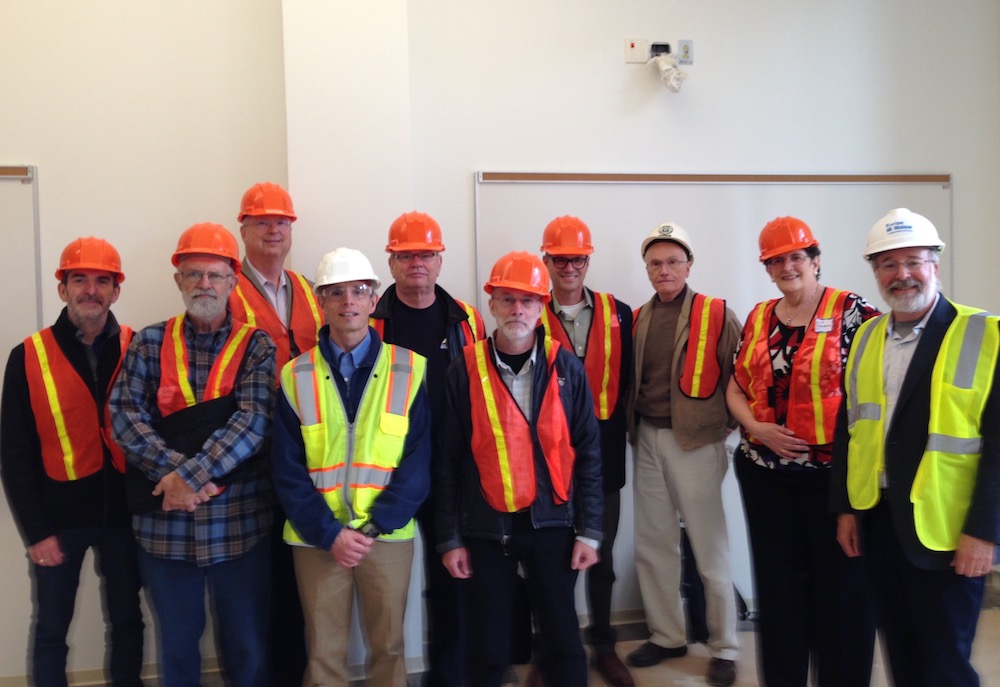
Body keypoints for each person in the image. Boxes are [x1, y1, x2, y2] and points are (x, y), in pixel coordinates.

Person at [832, 208, 1000, 687]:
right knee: (902, 655)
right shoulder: (866, 336)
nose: (901, 275)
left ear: (935, 265)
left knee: (945, 663)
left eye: (913, 261)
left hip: (948, 532)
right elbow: (851, 429)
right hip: (879, 522)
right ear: (874, 272)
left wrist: (985, 534)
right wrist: (846, 509)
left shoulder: (985, 333)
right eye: (888, 264)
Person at [110, 223, 276, 687]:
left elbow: (254, 422)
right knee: (177, 651)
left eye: (215, 275)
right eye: (194, 274)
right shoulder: (147, 342)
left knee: (248, 649)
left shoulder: (257, 346)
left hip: (239, 525)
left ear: (233, 282)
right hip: (165, 530)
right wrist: (175, 476)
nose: (205, 284)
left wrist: (189, 477)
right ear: (178, 280)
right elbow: (124, 415)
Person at [437, 251, 604, 687]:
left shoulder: (567, 368)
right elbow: (448, 462)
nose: (517, 310)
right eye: (507, 299)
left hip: (553, 524)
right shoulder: (464, 369)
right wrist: (450, 538)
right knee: (487, 647)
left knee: (563, 641)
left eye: (528, 301)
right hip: (486, 528)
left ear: (542, 305)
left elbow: (587, 453)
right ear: (491, 303)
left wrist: (590, 531)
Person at [725, 216, 878, 686]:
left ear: (815, 260)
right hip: (765, 475)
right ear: (768, 269)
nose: (787, 267)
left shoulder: (855, 312)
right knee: (779, 590)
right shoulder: (758, 317)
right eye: (777, 261)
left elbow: (873, 397)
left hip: (832, 480)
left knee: (842, 593)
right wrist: (757, 428)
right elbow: (734, 387)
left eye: (796, 257)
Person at [271, 247, 431, 687]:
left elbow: (417, 464)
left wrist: (374, 527)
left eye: (359, 291)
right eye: (336, 292)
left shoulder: (410, 369)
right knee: (323, 652)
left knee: (390, 648)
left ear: (374, 298)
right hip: (316, 540)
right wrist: (329, 534)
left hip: (387, 536)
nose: (348, 301)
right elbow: (286, 471)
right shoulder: (294, 375)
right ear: (320, 302)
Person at [1, 237, 144, 687]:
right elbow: (14, 453)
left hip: (125, 516)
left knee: (127, 622)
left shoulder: (139, 346)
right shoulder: (27, 356)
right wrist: (36, 532)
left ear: (116, 291)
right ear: (62, 289)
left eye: (102, 281)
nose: (90, 290)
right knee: (51, 630)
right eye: (78, 279)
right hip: (57, 522)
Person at [369, 211, 485, 687]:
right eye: (406, 254)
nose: (416, 263)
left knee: (452, 584)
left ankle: (449, 677)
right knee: (385, 590)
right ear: (391, 261)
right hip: (388, 476)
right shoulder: (372, 322)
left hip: (452, 472)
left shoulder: (467, 320)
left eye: (426, 254)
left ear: (440, 261)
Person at [625, 222, 740, 687]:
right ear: (647, 269)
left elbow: (739, 375)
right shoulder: (637, 318)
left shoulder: (717, 313)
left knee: (709, 549)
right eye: (656, 263)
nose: (664, 270)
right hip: (647, 439)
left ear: (689, 265)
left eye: (673, 261)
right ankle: (667, 634)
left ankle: (726, 646)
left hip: (696, 444)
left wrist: (722, 430)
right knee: (654, 545)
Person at [229, 181, 319, 685]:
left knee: (293, 582)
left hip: (304, 459)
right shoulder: (226, 288)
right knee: (252, 586)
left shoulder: (309, 290)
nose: (273, 229)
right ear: (242, 228)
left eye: (281, 222)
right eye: (262, 221)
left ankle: (291, 672)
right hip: (247, 461)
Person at [538, 216, 634, 687]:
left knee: (601, 553)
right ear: (547, 261)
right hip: (545, 459)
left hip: (604, 459)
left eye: (577, 258)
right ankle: (551, 650)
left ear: (587, 260)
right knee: (548, 560)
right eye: (560, 259)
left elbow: (632, 383)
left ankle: (603, 644)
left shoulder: (621, 313)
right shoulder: (527, 311)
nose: (569, 267)